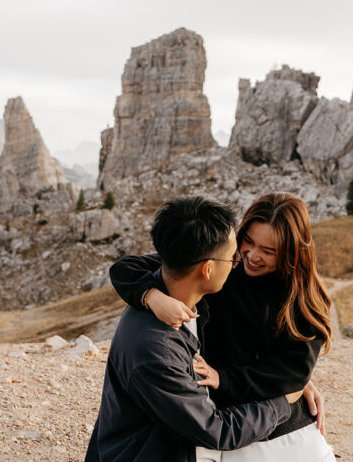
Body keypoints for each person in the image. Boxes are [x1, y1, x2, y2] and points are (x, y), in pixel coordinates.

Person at [110, 191, 335, 461]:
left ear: (291, 252)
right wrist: (152, 296)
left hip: (270, 420)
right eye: (248, 242)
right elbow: (128, 268)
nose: (251, 256)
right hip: (229, 422)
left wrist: (230, 379)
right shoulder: (223, 267)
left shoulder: (304, 300)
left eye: (269, 251)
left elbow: (294, 372)